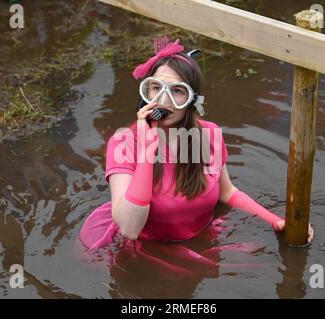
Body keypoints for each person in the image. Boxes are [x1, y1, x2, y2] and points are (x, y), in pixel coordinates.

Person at [79, 36, 313, 255]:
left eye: (177, 91)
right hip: (147, 250)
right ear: (145, 93)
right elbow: (129, 230)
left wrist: (274, 220)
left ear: (193, 100)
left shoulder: (209, 134)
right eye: (156, 88)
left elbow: (227, 192)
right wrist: (147, 153)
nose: (163, 100)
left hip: (200, 239)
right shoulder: (123, 142)